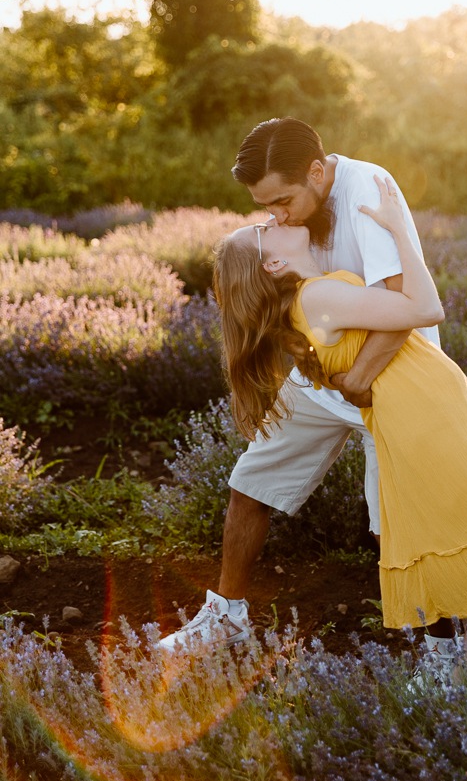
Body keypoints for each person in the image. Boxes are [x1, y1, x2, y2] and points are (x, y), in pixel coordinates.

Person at [206, 175, 467, 669]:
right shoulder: (318, 298)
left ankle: (461, 671)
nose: (272, 219)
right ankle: (465, 675)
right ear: (274, 262)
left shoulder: (311, 299)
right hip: (429, 418)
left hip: (433, 412)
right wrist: (399, 233)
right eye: (263, 228)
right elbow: (426, 308)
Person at [160, 118, 449, 658]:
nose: (279, 216)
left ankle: (439, 649)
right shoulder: (293, 215)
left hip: (390, 376)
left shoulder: (367, 190)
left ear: (317, 172)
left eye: (284, 201)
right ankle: (226, 618)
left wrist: (361, 377)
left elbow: (405, 301)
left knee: (396, 523)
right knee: (252, 480)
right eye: (266, 209)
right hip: (324, 371)